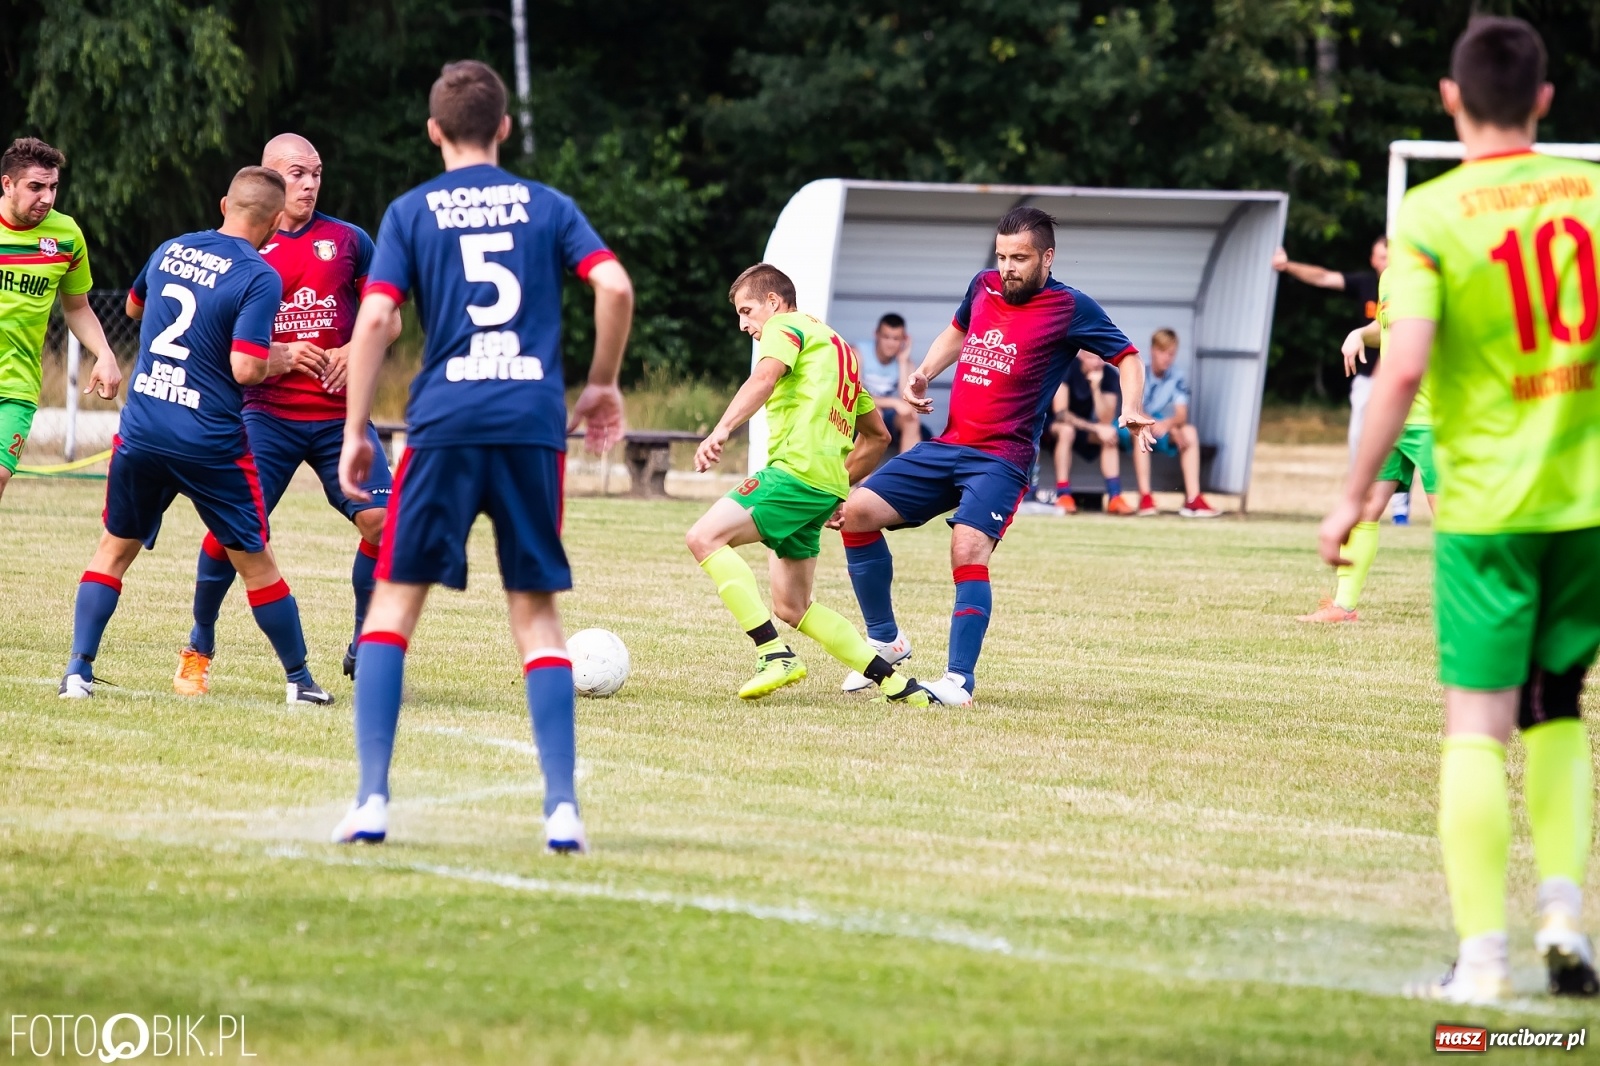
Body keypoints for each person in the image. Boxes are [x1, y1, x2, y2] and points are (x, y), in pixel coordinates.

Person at [1320, 16, 1600, 1004]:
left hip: (1485, 507)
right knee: (1557, 706)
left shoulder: (1433, 214)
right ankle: (1562, 912)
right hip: (1584, 503)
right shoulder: (1592, 197)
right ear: (1544, 101)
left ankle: (1482, 962)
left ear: (1449, 99)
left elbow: (1401, 369)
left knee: (1477, 725)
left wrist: (1351, 496)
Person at [332, 61, 634, 853]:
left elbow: (374, 322)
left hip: (445, 421)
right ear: (503, 127)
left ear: (434, 130)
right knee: (535, 614)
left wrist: (357, 427)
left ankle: (371, 802)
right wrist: (601, 383)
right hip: (531, 422)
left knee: (394, 605)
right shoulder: (548, 205)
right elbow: (614, 287)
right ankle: (562, 810)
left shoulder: (410, 211)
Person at [839, 207, 1152, 707]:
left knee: (967, 547)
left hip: (1002, 458)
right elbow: (957, 330)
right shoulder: (983, 285)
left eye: (1019, 258)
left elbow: (1128, 356)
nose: (1007, 268)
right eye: (1002, 257)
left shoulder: (1071, 307)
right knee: (855, 512)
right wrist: (923, 373)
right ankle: (886, 640)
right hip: (949, 445)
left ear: (1047, 258)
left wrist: (1131, 407)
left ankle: (958, 682)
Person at [59, 167, 329, 706]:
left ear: (224, 204)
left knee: (113, 551)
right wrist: (281, 357)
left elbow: (134, 307)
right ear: (277, 222)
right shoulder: (260, 275)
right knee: (256, 563)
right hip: (208, 439)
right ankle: (299, 681)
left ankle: (77, 673)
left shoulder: (171, 248)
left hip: (144, 425)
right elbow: (247, 368)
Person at [175, 133, 404, 697]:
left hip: (340, 419)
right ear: (270, 178)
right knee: (232, 531)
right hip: (265, 417)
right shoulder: (242, 250)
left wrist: (355, 349)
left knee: (384, 522)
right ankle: (199, 644)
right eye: (297, 173)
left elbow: (391, 319)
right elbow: (219, 342)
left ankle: (365, 643)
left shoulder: (348, 240)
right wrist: (275, 357)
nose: (309, 184)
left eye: (316, 173)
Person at [685, 265, 930, 705]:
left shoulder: (784, 326)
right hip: (823, 487)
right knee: (792, 606)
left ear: (774, 302)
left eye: (747, 311)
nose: (744, 325)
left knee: (704, 538)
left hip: (793, 473)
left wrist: (721, 429)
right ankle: (898, 686)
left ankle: (772, 654)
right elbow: (878, 437)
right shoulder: (840, 351)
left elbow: (764, 378)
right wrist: (836, 485)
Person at [0, 137, 121, 503]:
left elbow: (77, 308)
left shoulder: (66, 235)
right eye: (35, 187)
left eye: (53, 187)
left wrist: (105, 353)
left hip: (17, 382)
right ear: (7, 184)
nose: (47, 197)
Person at [1299, 303, 1436, 622]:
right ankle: (1344, 606)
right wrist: (1359, 333)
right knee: (1367, 508)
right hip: (1394, 419)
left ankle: (1479, 614)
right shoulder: (1390, 280)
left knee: (1453, 520)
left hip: (1437, 420)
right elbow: (1386, 326)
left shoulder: (1436, 275)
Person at [1274, 233, 1411, 523]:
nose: (1387, 261)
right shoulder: (1367, 283)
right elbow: (1324, 277)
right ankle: (1357, 498)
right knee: (1362, 440)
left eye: (1391, 255)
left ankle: (1400, 508)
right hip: (1367, 379)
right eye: (1382, 256)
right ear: (1373, 259)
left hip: (1402, 380)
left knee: (1408, 440)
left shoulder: (1414, 285)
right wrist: (1288, 266)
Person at [1125, 329, 1218, 517]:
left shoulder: (1176, 376)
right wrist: (1159, 425)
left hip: (1159, 427)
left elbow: (1181, 414)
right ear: (1152, 350)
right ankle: (1145, 497)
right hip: (1133, 427)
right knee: (1141, 430)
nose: (1167, 358)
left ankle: (1193, 499)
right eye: (1163, 352)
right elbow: (1135, 409)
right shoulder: (1139, 370)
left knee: (1189, 432)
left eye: (1171, 354)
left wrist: (1169, 426)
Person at [1041, 350, 1131, 514]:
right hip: (1051, 425)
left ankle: (1115, 496)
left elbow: (1106, 419)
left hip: (1083, 427)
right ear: (1081, 355)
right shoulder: (1067, 367)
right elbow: (1061, 413)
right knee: (1067, 431)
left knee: (1110, 434)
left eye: (1101, 358)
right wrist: (1096, 428)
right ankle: (1063, 494)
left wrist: (1096, 388)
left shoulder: (1109, 374)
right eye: (1093, 358)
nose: (1098, 363)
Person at [859, 313, 919, 454]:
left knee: (911, 419)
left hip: (890, 415)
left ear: (904, 339)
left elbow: (909, 404)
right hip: (862, 411)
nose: (891, 343)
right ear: (876, 334)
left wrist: (902, 362)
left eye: (896, 339)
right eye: (886, 337)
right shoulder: (858, 353)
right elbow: (855, 395)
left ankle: (906, 467)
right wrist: (893, 402)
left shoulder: (906, 362)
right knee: (875, 414)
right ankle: (865, 469)